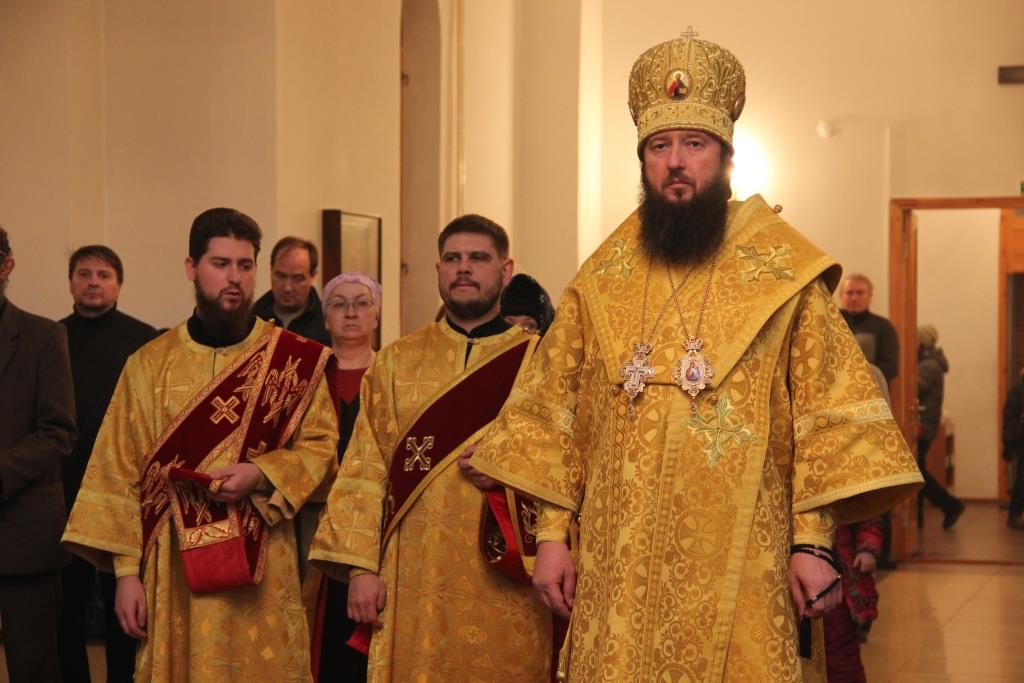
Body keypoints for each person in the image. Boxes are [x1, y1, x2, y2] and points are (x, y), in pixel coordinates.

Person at [470, 31, 923, 681]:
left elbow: (825, 418)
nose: (676, 162)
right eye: (660, 146)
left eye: (694, 144)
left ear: (726, 156)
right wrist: (550, 538)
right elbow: (555, 417)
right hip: (618, 564)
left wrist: (813, 542)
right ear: (643, 160)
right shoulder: (601, 279)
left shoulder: (783, 271)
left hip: (745, 559)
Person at [62, 208, 339, 681]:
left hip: (261, 567)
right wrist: (126, 575)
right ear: (192, 268)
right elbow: (117, 470)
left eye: (245, 265)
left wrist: (262, 473)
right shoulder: (150, 365)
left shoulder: (291, 359)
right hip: (172, 571)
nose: (234, 277)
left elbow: (322, 449)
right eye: (220, 264)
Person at [309, 214, 552, 682]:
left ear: (505, 270)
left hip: (507, 577)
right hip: (413, 575)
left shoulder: (541, 362)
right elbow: (365, 465)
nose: (464, 268)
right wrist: (360, 569)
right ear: (438, 269)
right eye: (452, 258)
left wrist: (510, 468)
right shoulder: (397, 361)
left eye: (478, 258)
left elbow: (569, 463)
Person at [59, 245, 157, 682]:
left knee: (126, 608)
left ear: (119, 284)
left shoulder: (145, 340)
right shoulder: (52, 338)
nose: (93, 282)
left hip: (125, 496)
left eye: (103, 274)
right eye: (84, 273)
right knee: (66, 610)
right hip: (65, 493)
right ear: (71, 283)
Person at [0, 226, 77, 682]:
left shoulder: (44, 336)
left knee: (34, 667)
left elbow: (58, 432)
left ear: (6, 266)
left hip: (23, 532)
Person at [305, 272, 381, 682]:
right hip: (312, 526)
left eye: (362, 303)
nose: (351, 312)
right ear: (325, 318)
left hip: (374, 531)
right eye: (339, 304)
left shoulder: (392, 374)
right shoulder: (305, 377)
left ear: (376, 315)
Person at [916, 324, 964, 529]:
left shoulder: (928, 366)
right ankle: (949, 506)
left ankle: (950, 505)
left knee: (916, 473)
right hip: (926, 425)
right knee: (918, 471)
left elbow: (912, 388)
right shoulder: (931, 362)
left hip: (921, 425)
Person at [254, 236, 331, 346]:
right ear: (271, 270)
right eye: (280, 276)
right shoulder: (251, 320)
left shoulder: (328, 324)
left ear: (313, 276)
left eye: (298, 278)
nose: (287, 288)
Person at [838, 273, 900, 383]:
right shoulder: (831, 323)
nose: (854, 298)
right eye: (849, 293)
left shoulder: (883, 326)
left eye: (860, 293)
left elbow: (891, 367)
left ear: (870, 296)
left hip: (872, 388)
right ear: (841, 296)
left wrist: (860, 377)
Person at [1002, 368, 1024, 529]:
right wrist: (1009, 442)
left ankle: (1015, 514)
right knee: (1022, 478)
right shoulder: (1019, 389)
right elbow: (1011, 417)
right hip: (1021, 438)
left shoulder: (1018, 388)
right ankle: (1015, 514)